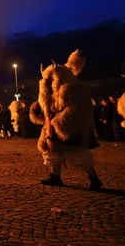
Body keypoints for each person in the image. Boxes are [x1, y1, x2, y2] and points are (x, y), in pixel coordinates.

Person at [29, 50, 103, 190]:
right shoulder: (47, 91)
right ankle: (55, 176)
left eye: (52, 77)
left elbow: (79, 109)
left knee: (77, 154)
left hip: (69, 128)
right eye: (48, 78)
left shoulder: (74, 88)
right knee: (52, 152)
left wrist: (59, 121)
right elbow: (46, 110)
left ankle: (94, 178)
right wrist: (38, 112)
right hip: (51, 128)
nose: (49, 80)